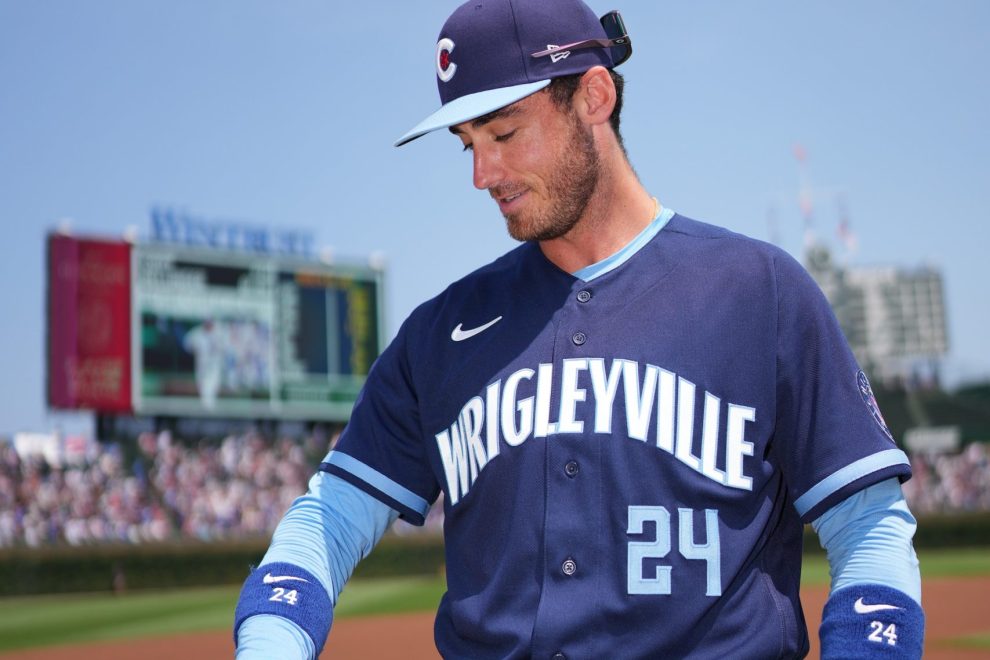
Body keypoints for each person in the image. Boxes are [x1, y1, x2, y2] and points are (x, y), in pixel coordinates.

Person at [234, 1, 924, 657]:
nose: (482, 174)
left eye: (504, 133)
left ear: (595, 96)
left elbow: (868, 526)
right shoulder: (439, 333)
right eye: (466, 143)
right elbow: (329, 518)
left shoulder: (760, 292)